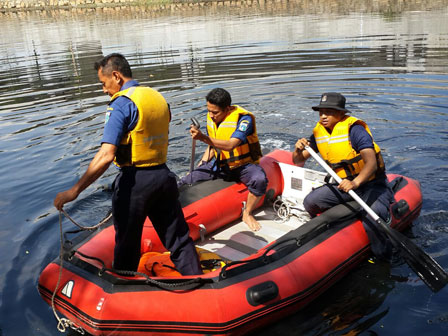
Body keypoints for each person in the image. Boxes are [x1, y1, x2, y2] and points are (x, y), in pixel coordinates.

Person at [54, 53, 202, 275]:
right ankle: (196, 280)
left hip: (135, 183)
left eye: (104, 84)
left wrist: (74, 191)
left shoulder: (121, 103)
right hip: (163, 176)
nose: (104, 90)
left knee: (127, 246)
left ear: (116, 76)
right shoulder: (157, 98)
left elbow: (106, 154)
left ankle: (123, 290)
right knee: (178, 239)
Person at [293, 92, 394, 260]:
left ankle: (382, 256)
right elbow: (297, 160)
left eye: (329, 112)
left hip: (372, 184)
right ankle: (333, 232)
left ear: (341, 113)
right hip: (344, 184)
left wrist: (354, 183)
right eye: (321, 112)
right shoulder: (319, 133)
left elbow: (371, 163)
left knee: (373, 218)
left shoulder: (355, 130)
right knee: (310, 202)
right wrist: (297, 148)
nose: (324, 116)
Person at [178, 88, 268, 231]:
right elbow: (212, 145)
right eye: (209, 111)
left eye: (215, 112)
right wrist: (203, 163)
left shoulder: (244, 119)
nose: (211, 115)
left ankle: (248, 213)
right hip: (221, 164)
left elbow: (231, 145)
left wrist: (202, 137)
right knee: (187, 180)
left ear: (227, 108)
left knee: (260, 179)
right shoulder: (212, 118)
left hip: (243, 165)